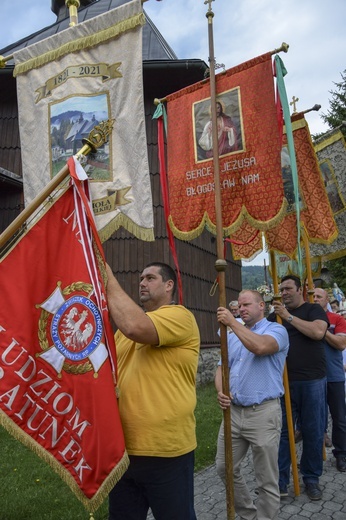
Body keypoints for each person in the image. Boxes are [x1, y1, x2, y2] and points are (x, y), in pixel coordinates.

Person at [105, 262, 200, 520]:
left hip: (166, 450)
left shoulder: (180, 316)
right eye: (141, 278)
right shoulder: (124, 331)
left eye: (150, 278)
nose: (142, 283)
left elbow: (136, 327)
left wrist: (107, 276)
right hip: (123, 450)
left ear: (169, 285)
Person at [215, 290, 289, 519]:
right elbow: (222, 366)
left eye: (247, 304)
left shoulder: (277, 330)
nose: (242, 308)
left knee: (266, 477)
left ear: (261, 306)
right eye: (240, 304)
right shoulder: (231, 333)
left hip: (263, 413)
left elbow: (259, 347)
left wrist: (232, 324)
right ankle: (249, 514)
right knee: (224, 467)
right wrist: (220, 391)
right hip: (234, 412)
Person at [268, 275, 328, 501]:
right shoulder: (274, 317)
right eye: (281, 289)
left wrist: (288, 316)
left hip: (312, 379)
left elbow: (317, 332)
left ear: (300, 289)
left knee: (312, 430)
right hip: (282, 382)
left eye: (288, 288)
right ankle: (281, 481)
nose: (283, 293)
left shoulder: (313, 310)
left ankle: (311, 479)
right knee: (282, 433)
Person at [313, 288, 346, 472]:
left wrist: (321, 330)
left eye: (319, 296)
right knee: (315, 419)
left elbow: (341, 344)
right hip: (313, 376)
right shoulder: (306, 319)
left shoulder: (337, 319)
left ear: (327, 299)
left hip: (334, 375)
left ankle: (341, 454)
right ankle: (314, 456)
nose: (315, 299)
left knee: (340, 418)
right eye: (312, 296)